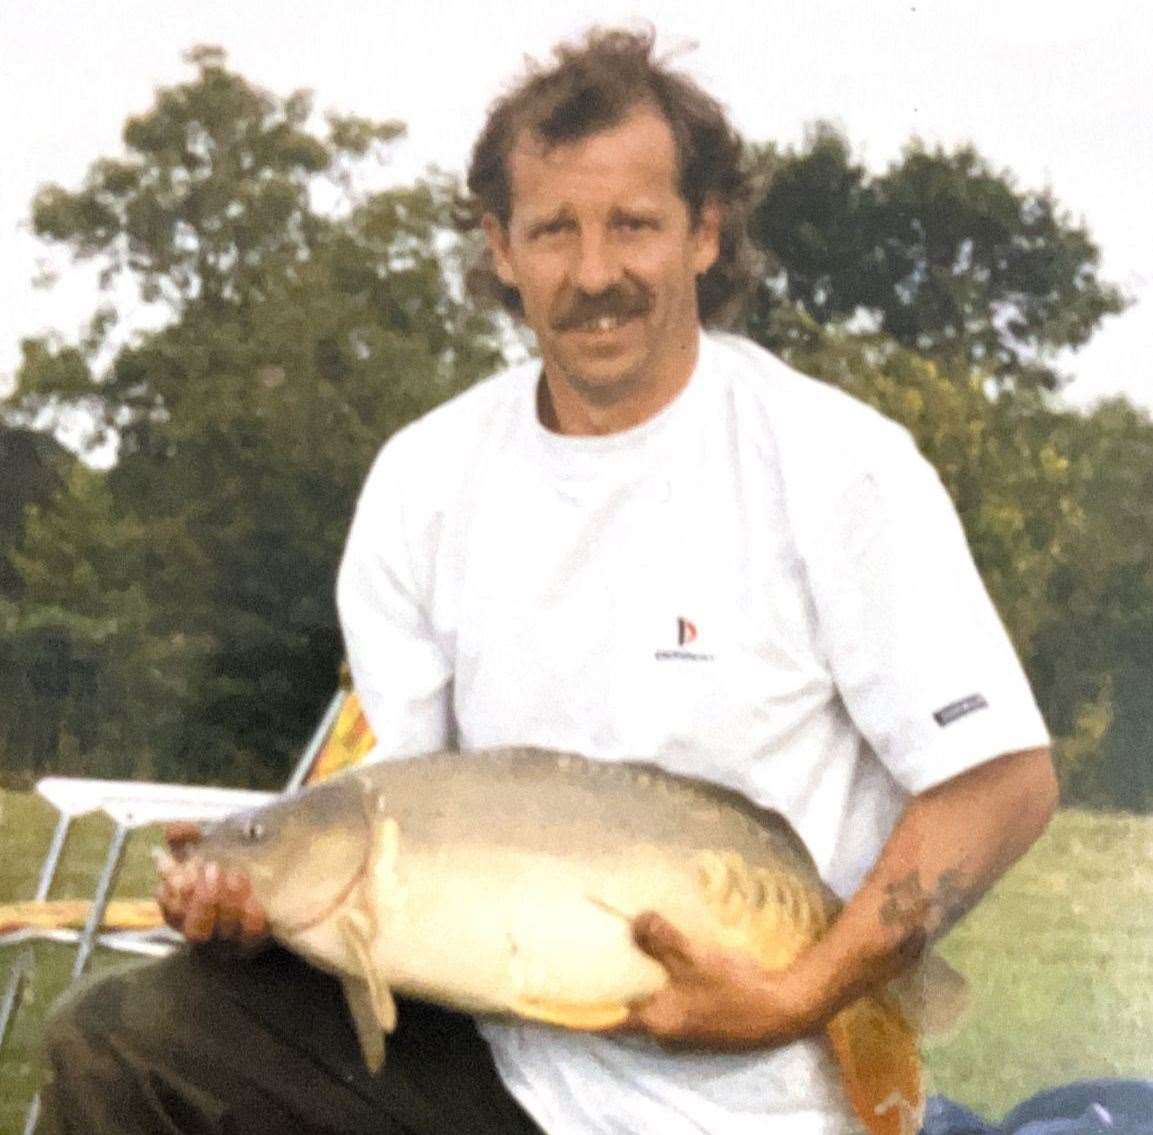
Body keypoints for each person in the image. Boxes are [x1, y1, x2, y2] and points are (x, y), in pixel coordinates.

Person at [37, 27, 1057, 1135]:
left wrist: (792, 999)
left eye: (634, 225)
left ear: (705, 232)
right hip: (494, 1069)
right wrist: (257, 894)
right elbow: (399, 816)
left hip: (745, 1094)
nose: (595, 273)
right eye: (553, 230)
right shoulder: (424, 480)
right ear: (500, 245)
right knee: (123, 1038)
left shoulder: (835, 465)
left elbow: (1001, 784)